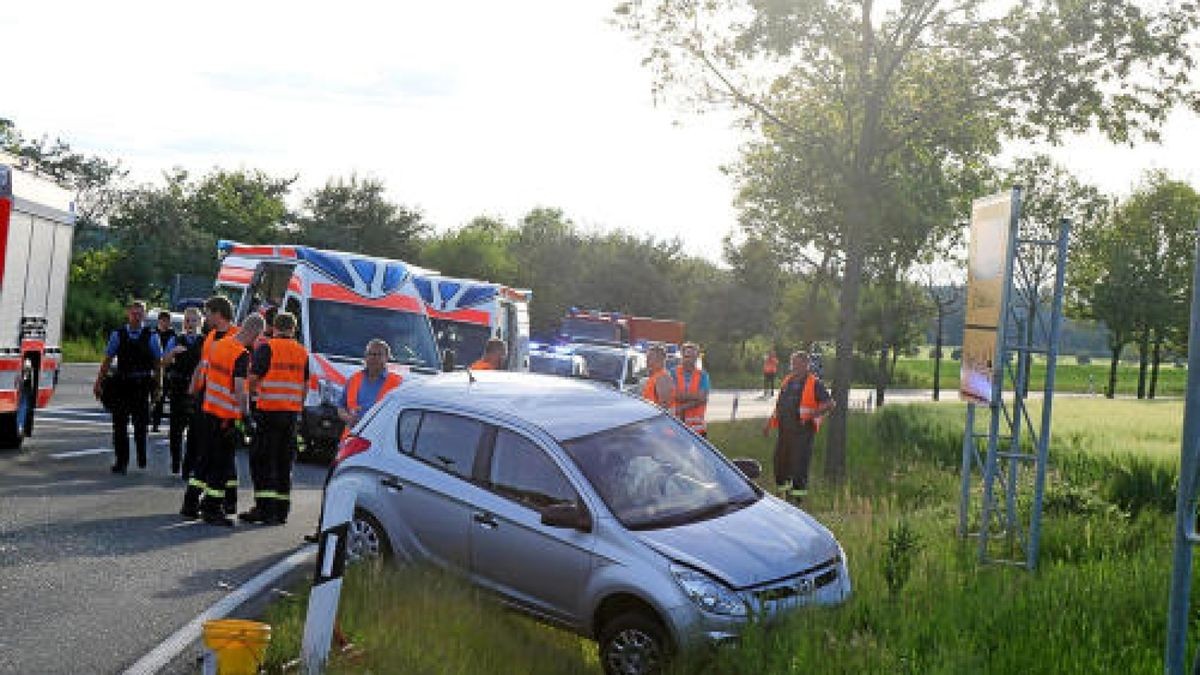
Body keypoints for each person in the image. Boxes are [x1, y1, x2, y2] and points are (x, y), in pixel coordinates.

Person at [180, 312, 264, 526]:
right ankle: (212, 509)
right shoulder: (242, 354)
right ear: (255, 332)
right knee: (221, 464)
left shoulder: (220, 344)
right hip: (225, 417)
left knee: (204, 460)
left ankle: (190, 503)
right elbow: (239, 389)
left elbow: (203, 372)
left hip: (208, 409)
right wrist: (246, 416)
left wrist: (194, 394)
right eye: (258, 336)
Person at [241, 312, 308, 525]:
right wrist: (295, 406)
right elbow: (305, 387)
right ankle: (281, 511)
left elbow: (252, 379)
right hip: (290, 415)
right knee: (283, 462)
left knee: (262, 460)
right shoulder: (302, 353)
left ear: (273, 328)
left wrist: (253, 396)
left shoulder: (267, 348)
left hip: (269, 412)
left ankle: (264, 509)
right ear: (293, 329)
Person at [93, 300, 163, 474]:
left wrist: (158, 387)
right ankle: (121, 461)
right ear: (128, 314)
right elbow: (108, 360)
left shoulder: (152, 336)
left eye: (140, 314)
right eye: (134, 313)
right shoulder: (118, 335)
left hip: (142, 385)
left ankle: (141, 454)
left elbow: (157, 363)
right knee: (119, 426)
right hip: (122, 385)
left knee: (141, 425)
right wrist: (99, 382)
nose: (137, 317)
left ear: (145, 316)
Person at [763, 351, 835, 502]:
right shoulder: (787, 381)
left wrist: (812, 414)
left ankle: (798, 500)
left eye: (798, 363)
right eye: (793, 363)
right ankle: (783, 493)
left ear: (806, 365)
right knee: (780, 462)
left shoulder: (814, 383)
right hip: (784, 430)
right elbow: (780, 406)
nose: (794, 366)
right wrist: (769, 424)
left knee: (799, 465)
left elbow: (830, 404)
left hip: (803, 431)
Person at [183, 296, 239, 482]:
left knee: (223, 452)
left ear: (218, 314)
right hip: (206, 398)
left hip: (225, 405)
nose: (205, 319)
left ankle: (224, 495)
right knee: (200, 443)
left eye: (207, 314)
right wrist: (193, 389)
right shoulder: (210, 337)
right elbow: (202, 364)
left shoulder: (236, 336)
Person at [159, 307, 203, 474]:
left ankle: (188, 466)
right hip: (178, 388)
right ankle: (175, 461)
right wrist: (172, 353)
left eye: (193, 320)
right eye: (187, 320)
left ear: (200, 322)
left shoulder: (204, 341)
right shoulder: (176, 339)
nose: (189, 324)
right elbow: (163, 362)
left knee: (195, 431)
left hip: (197, 391)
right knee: (176, 430)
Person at [339, 339, 403, 435]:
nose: (374, 358)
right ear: (365, 357)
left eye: (378, 354)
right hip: (351, 438)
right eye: (371, 354)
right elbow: (341, 407)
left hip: (380, 438)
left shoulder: (397, 383)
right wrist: (348, 418)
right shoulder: (354, 379)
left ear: (387, 358)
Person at [672, 342, 710, 436]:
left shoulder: (703, 375)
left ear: (696, 358)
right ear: (682, 356)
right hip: (677, 426)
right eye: (686, 356)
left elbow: (703, 398)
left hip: (697, 429)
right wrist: (696, 397)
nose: (689, 360)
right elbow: (675, 395)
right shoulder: (673, 373)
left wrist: (681, 406)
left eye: (692, 357)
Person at [150, 310, 176, 432]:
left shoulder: (173, 336)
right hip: (153, 370)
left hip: (167, 371)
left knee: (161, 397)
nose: (165, 323)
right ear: (159, 321)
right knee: (151, 397)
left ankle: (156, 423)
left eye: (167, 321)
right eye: (163, 320)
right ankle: (147, 420)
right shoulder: (152, 334)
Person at [640, 344, 674, 410]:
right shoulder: (655, 377)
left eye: (650, 358)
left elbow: (665, 406)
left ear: (660, 360)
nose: (647, 361)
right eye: (647, 358)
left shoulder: (663, 378)